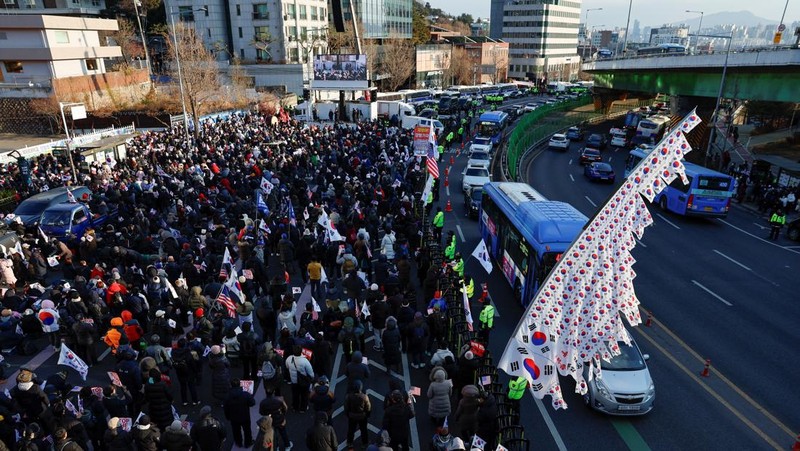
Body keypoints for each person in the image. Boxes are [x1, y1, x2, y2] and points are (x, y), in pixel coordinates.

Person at [223, 379, 256, 448]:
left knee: (236, 431)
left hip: (234, 417)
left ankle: (238, 442)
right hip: (245, 416)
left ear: (231, 385)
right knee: (247, 430)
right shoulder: (245, 394)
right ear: (240, 385)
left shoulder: (227, 396)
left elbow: (225, 408)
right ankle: (248, 443)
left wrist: (228, 416)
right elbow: (253, 403)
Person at [171, 338, 201, 406]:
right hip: (189, 372)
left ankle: (184, 401)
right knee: (191, 386)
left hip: (180, 372)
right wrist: (196, 371)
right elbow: (192, 363)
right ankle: (195, 401)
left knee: (183, 386)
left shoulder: (174, 352)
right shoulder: (188, 353)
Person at [286, 345, 314, 412]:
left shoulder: (289, 359)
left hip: (294, 381)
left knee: (295, 395)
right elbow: (310, 372)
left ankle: (295, 407)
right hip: (303, 381)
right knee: (304, 395)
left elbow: (287, 366)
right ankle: (303, 408)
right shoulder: (305, 361)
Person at [344, 380, 371, 447]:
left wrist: (348, 414)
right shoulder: (364, 397)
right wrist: (367, 414)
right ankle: (365, 443)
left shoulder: (349, 396)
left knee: (351, 430)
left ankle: (349, 443)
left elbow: (346, 407)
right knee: (364, 430)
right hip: (362, 416)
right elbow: (368, 407)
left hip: (352, 416)